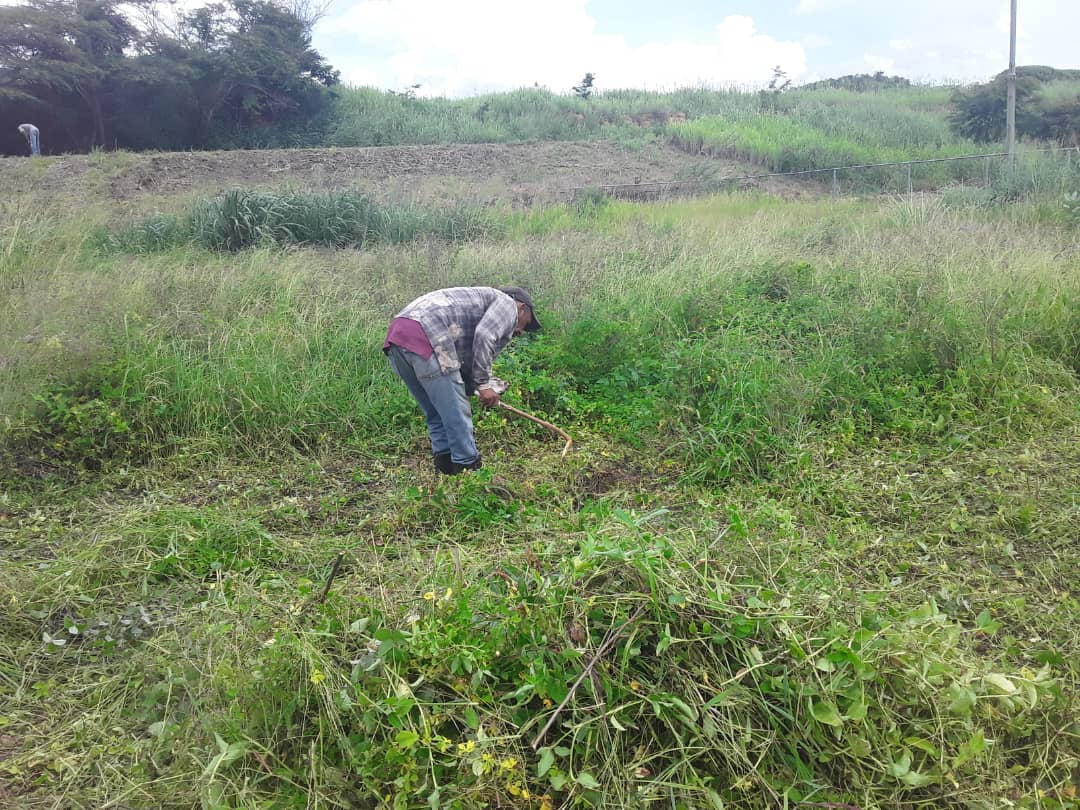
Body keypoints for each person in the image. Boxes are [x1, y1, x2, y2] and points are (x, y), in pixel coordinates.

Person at [384, 286, 542, 475]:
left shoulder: (476, 305)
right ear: (522, 308)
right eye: (526, 323)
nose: (521, 330)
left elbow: (465, 359)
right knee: (457, 414)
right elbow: (485, 335)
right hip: (428, 334)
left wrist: (474, 385)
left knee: (437, 413)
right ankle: (468, 472)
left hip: (398, 336)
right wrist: (483, 385)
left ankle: (447, 472)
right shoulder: (507, 304)